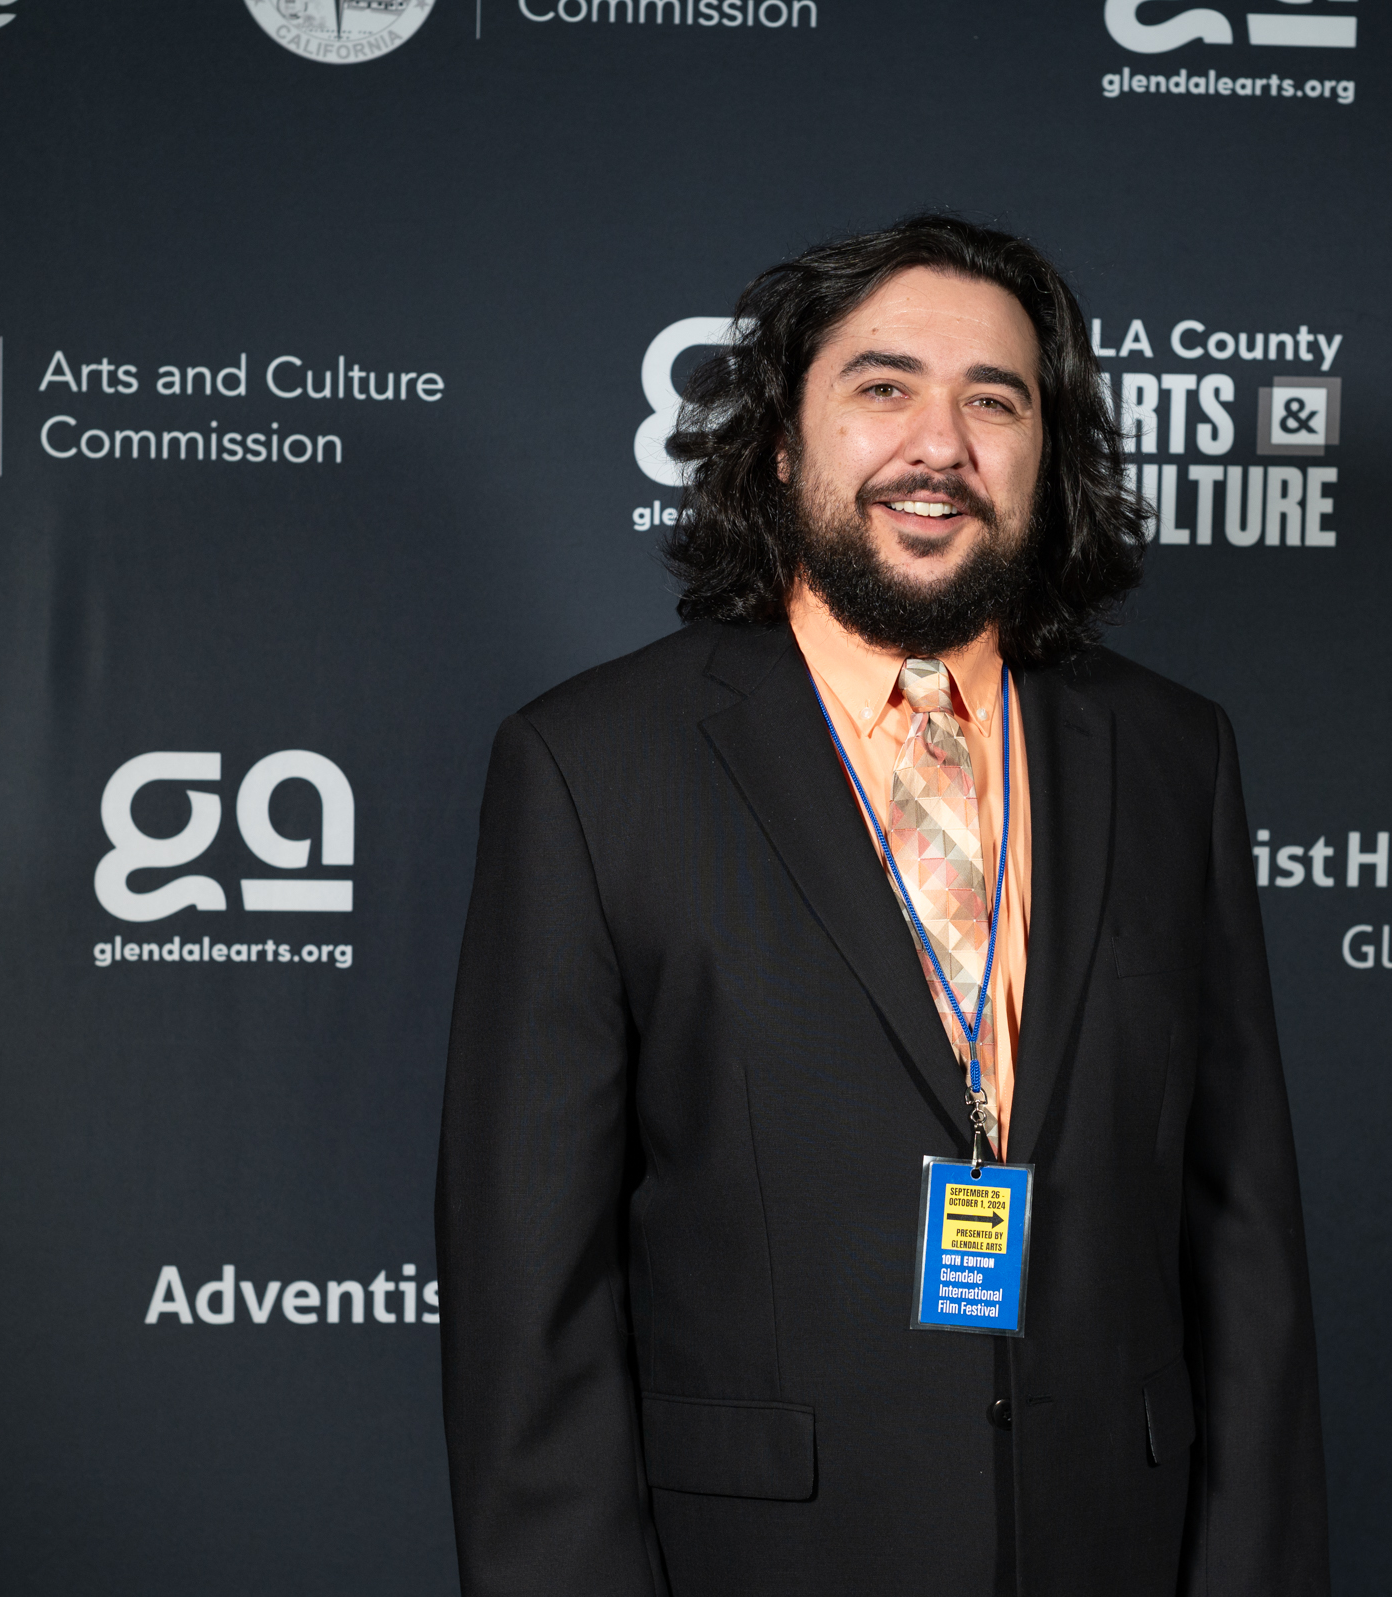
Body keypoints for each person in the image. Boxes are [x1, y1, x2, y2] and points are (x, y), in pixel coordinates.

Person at [437, 215, 1326, 1597]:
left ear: (1048, 458)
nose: (939, 445)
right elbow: (528, 1293)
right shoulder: (591, 766)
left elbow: (1244, 1231)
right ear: (780, 446)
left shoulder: (1173, 752)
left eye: (996, 401)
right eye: (884, 386)